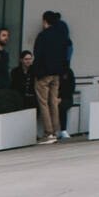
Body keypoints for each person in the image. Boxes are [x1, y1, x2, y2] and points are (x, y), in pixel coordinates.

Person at [33, 8, 73, 140]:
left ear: (45, 21)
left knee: (43, 103)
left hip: (44, 74)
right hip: (57, 74)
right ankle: (56, 130)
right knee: (53, 102)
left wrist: (37, 72)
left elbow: (38, 55)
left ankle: (48, 132)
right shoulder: (61, 36)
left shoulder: (42, 36)